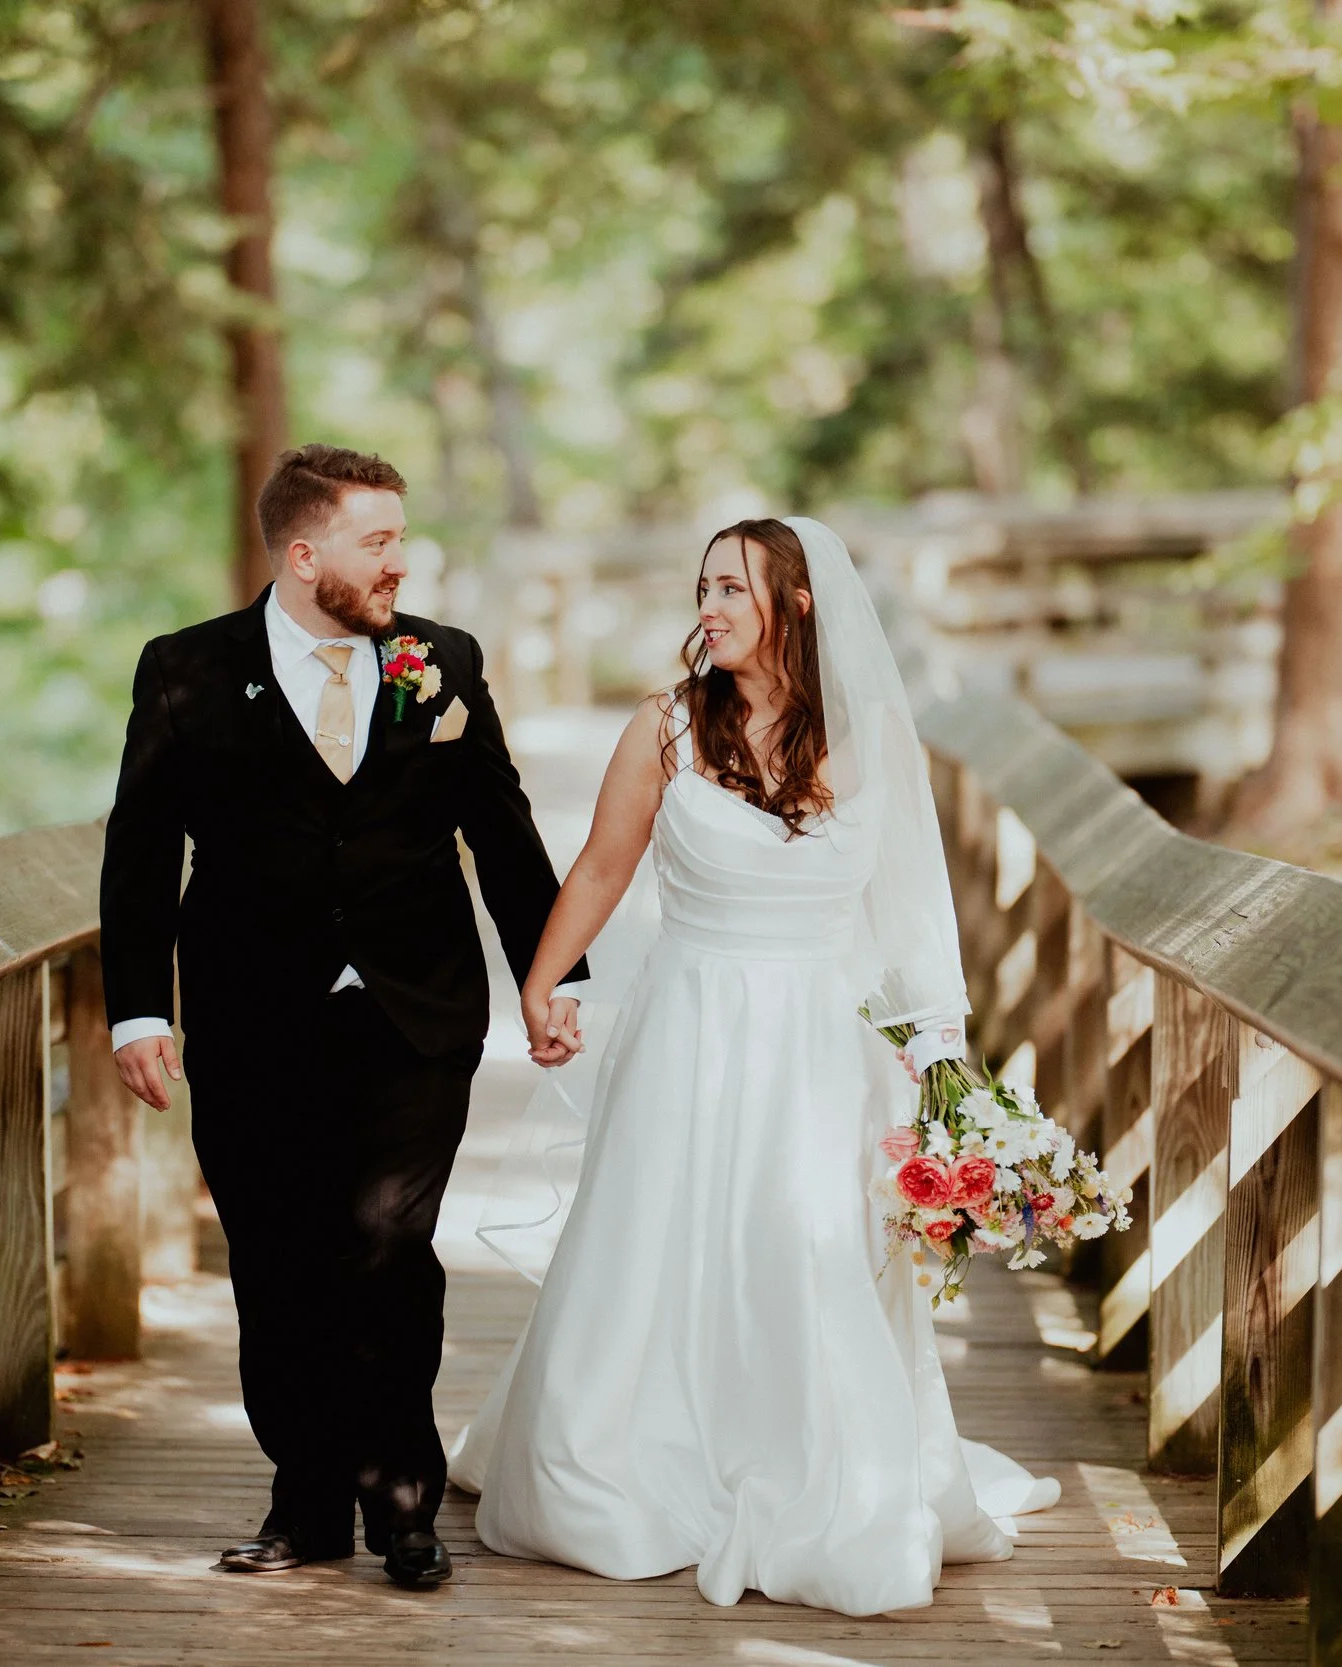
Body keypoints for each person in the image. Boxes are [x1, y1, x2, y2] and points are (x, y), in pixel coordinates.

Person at [448, 516, 1060, 1616]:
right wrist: (544, 981)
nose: (710, 607)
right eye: (702, 587)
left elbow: (912, 912)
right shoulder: (667, 728)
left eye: (732, 587)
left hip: (825, 1043)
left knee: (807, 1246)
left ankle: (824, 1473)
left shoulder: (873, 735)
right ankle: (629, 1463)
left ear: (799, 599)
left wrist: (941, 1062)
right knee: (660, 1236)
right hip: (689, 1021)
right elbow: (598, 866)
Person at [100, 443, 584, 1589]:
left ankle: (404, 1504)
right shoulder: (185, 670)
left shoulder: (441, 661)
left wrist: (555, 973)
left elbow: (502, 830)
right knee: (275, 1264)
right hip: (250, 1013)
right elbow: (139, 849)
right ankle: (307, 1498)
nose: (399, 563)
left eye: (400, 539)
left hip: (414, 1012)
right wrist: (135, 1010)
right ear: (303, 552)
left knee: (387, 1249)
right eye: (377, 541)